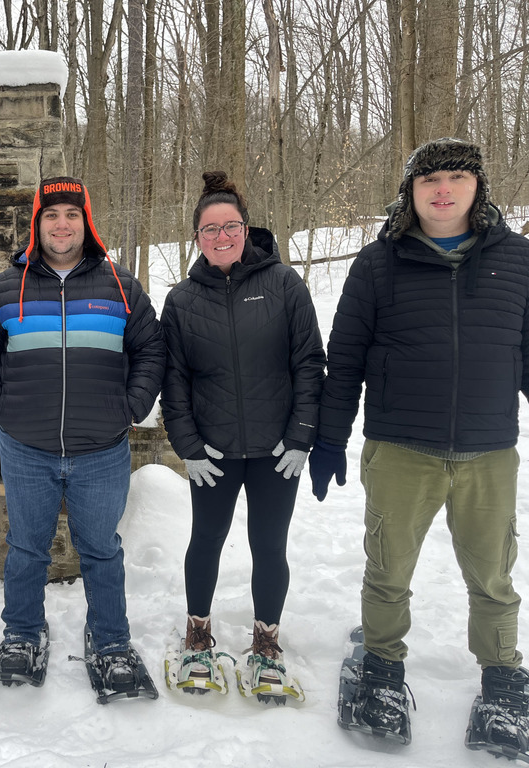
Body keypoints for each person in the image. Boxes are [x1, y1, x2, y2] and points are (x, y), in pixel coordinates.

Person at [310, 138, 529, 747]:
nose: (443, 190)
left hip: (488, 450)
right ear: (409, 193)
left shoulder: (518, 260)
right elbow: (345, 360)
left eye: (458, 177)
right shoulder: (378, 264)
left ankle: (503, 675)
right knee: (388, 570)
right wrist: (329, 440)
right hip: (402, 447)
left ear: (478, 187)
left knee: (493, 576)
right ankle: (381, 665)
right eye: (429, 180)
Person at [0, 176, 165, 695]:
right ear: (38, 223)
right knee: (27, 548)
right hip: (26, 449)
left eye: (71, 214)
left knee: (101, 550)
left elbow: (151, 350)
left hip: (102, 450)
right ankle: (22, 635)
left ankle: (111, 641)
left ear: (86, 221)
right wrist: (1, 404)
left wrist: (133, 404)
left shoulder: (120, 286)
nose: (61, 224)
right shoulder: (8, 289)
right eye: (51, 215)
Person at [160, 172, 325, 701]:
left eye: (230, 226)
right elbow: (174, 378)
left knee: (268, 544)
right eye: (210, 229)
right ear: (197, 238)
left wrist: (301, 434)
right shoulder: (182, 301)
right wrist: (186, 443)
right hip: (214, 451)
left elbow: (308, 361)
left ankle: (266, 641)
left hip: (277, 451)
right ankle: (198, 633)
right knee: (205, 539)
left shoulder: (284, 284)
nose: (222, 236)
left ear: (247, 228)